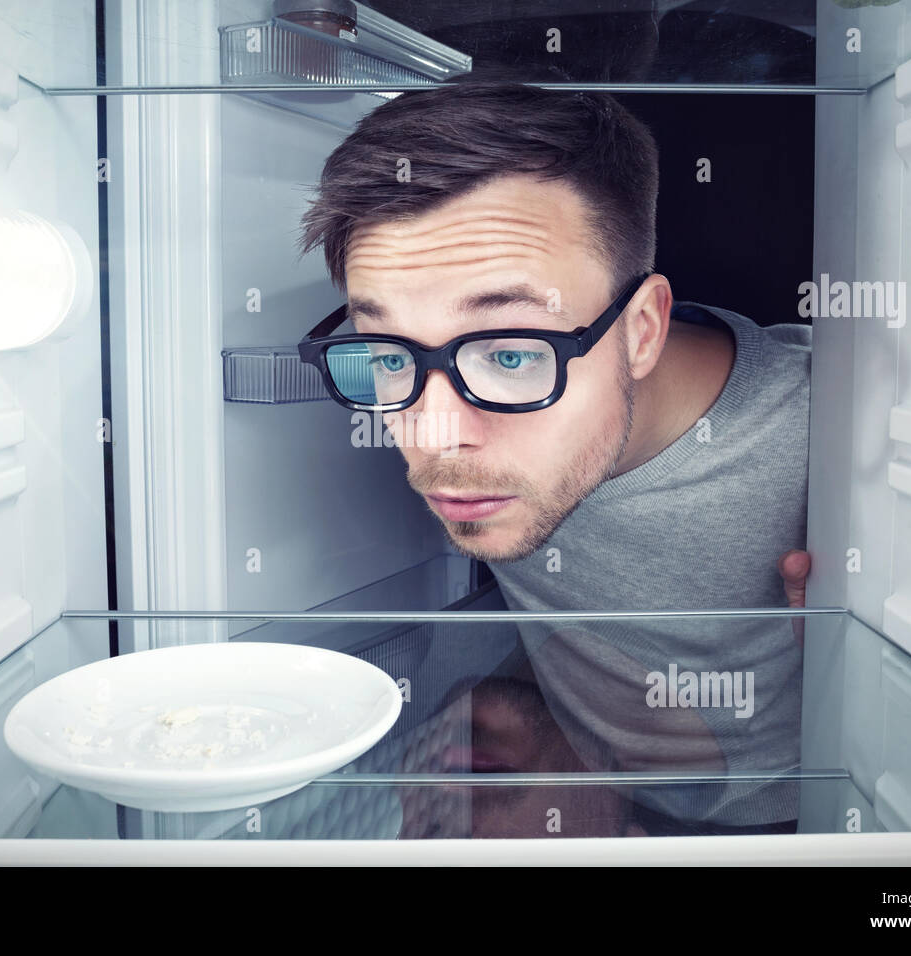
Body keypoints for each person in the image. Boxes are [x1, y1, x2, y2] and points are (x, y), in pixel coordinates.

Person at [297, 80, 813, 835]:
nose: (434, 437)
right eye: (385, 350)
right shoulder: (436, 399)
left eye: (509, 355)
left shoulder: (828, 443)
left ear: (641, 330)